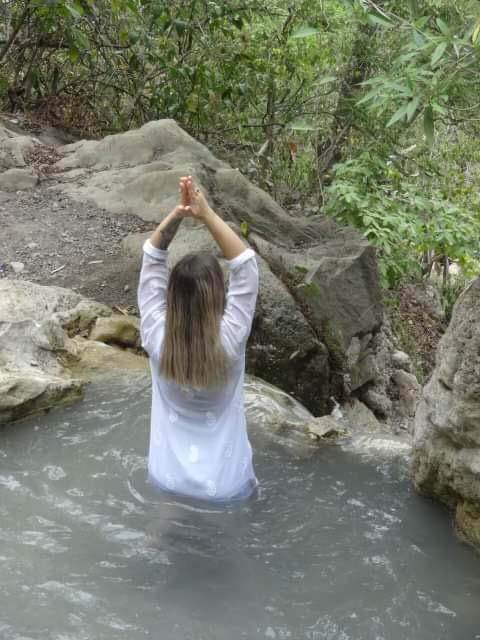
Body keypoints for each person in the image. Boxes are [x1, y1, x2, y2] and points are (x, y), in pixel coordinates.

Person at [137, 176, 259, 502]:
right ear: (219, 297)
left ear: (171, 297)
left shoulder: (156, 338)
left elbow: (151, 257)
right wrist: (205, 214)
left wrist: (179, 213)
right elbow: (246, 267)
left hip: (167, 479)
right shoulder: (230, 341)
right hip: (226, 484)